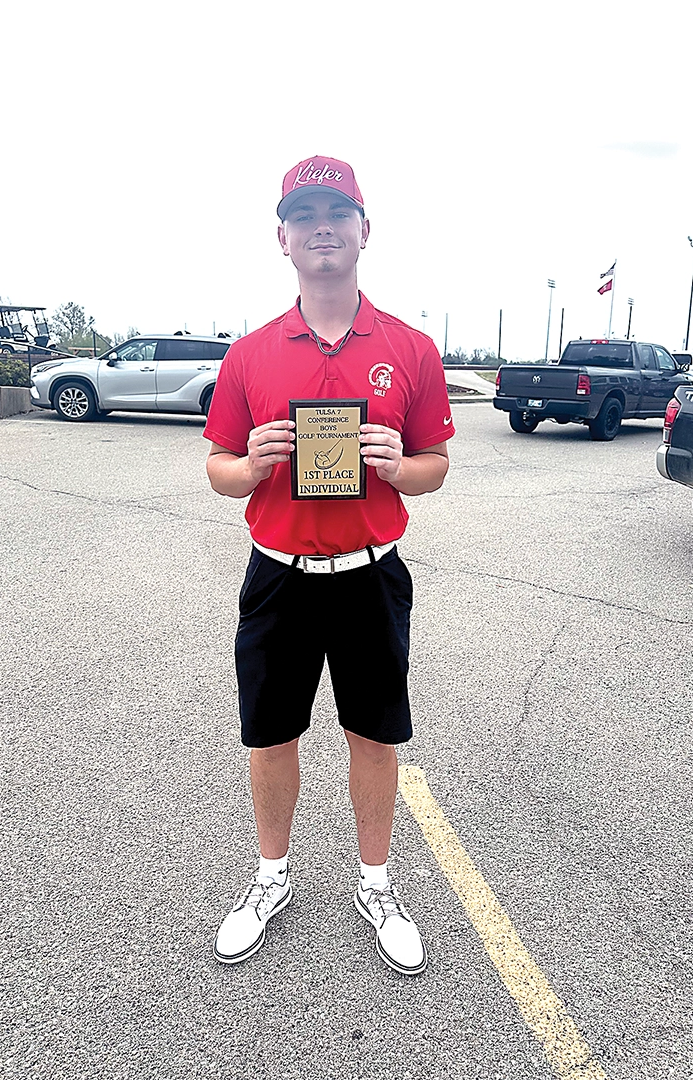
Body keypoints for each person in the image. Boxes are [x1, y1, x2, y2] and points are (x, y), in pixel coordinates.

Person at [204, 156, 453, 975]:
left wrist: (395, 464)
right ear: (282, 236)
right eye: (305, 213)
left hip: (371, 574)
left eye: (337, 212)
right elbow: (218, 469)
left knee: (372, 736)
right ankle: (272, 877)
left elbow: (436, 465)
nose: (322, 226)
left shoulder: (409, 349)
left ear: (363, 231)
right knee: (271, 737)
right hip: (277, 573)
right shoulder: (249, 356)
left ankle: (375, 884)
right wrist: (252, 465)